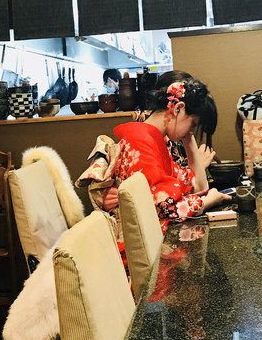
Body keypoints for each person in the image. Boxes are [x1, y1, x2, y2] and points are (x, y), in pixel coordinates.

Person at [78, 77, 232, 228]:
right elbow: (164, 209)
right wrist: (208, 201)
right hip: (139, 239)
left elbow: (195, 186)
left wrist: (188, 139)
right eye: (193, 124)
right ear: (178, 108)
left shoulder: (155, 139)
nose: (191, 132)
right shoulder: (141, 142)